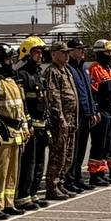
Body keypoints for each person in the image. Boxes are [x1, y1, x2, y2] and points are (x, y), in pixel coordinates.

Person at [11, 36, 55, 209]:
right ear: (27, 53)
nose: (40, 55)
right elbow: (22, 103)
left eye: (41, 52)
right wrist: (27, 124)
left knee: (38, 163)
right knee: (28, 163)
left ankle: (33, 193)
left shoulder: (38, 73)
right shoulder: (21, 74)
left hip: (42, 125)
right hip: (31, 127)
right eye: (36, 52)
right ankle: (23, 196)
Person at [38, 36, 82, 202]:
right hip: (61, 122)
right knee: (58, 154)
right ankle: (52, 186)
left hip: (71, 119)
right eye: (63, 53)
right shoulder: (52, 72)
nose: (67, 56)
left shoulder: (67, 71)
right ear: (54, 54)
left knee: (68, 155)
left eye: (67, 53)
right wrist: (60, 118)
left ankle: (61, 182)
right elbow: (54, 98)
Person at [0, 39, 27, 218]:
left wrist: (25, 125)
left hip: (16, 130)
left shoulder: (12, 80)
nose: (12, 62)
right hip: (3, 130)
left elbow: (20, 106)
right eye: (9, 59)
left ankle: (8, 202)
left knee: (12, 171)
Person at [65, 35, 100, 192]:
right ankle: (70, 179)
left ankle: (77, 177)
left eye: (83, 49)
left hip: (86, 115)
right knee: (73, 150)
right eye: (79, 49)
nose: (83, 52)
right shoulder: (69, 69)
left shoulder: (83, 69)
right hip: (76, 116)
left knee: (81, 150)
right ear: (71, 51)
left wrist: (93, 111)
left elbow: (89, 93)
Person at [86, 40, 111, 186]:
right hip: (101, 112)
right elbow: (93, 93)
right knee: (99, 144)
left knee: (107, 144)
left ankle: (102, 170)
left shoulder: (108, 69)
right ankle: (95, 174)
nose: (110, 55)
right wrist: (96, 110)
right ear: (100, 52)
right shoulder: (95, 68)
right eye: (107, 52)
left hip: (110, 112)